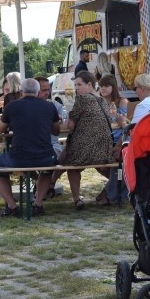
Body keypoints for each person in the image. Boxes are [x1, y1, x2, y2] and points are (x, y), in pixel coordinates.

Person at [0, 78, 61, 218]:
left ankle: (12, 206)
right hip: (45, 157)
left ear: (21, 92)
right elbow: (56, 131)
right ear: (37, 91)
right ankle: (38, 204)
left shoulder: (13, 106)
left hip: (19, 157)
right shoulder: (49, 106)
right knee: (48, 170)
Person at [54, 71, 114, 210]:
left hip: (85, 150)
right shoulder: (103, 101)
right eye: (75, 85)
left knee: (71, 164)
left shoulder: (82, 99)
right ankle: (115, 189)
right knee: (71, 151)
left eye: (79, 85)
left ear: (89, 85)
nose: (76, 88)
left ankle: (76, 199)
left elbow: (70, 126)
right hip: (104, 150)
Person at [95, 75, 129, 206]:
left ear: (113, 87)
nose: (103, 88)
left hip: (119, 140)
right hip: (104, 141)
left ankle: (110, 195)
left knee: (117, 163)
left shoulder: (121, 102)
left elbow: (125, 125)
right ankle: (118, 190)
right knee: (96, 160)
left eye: (106, 86)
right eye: (101, 85)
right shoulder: (99, 102)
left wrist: (120, 143)